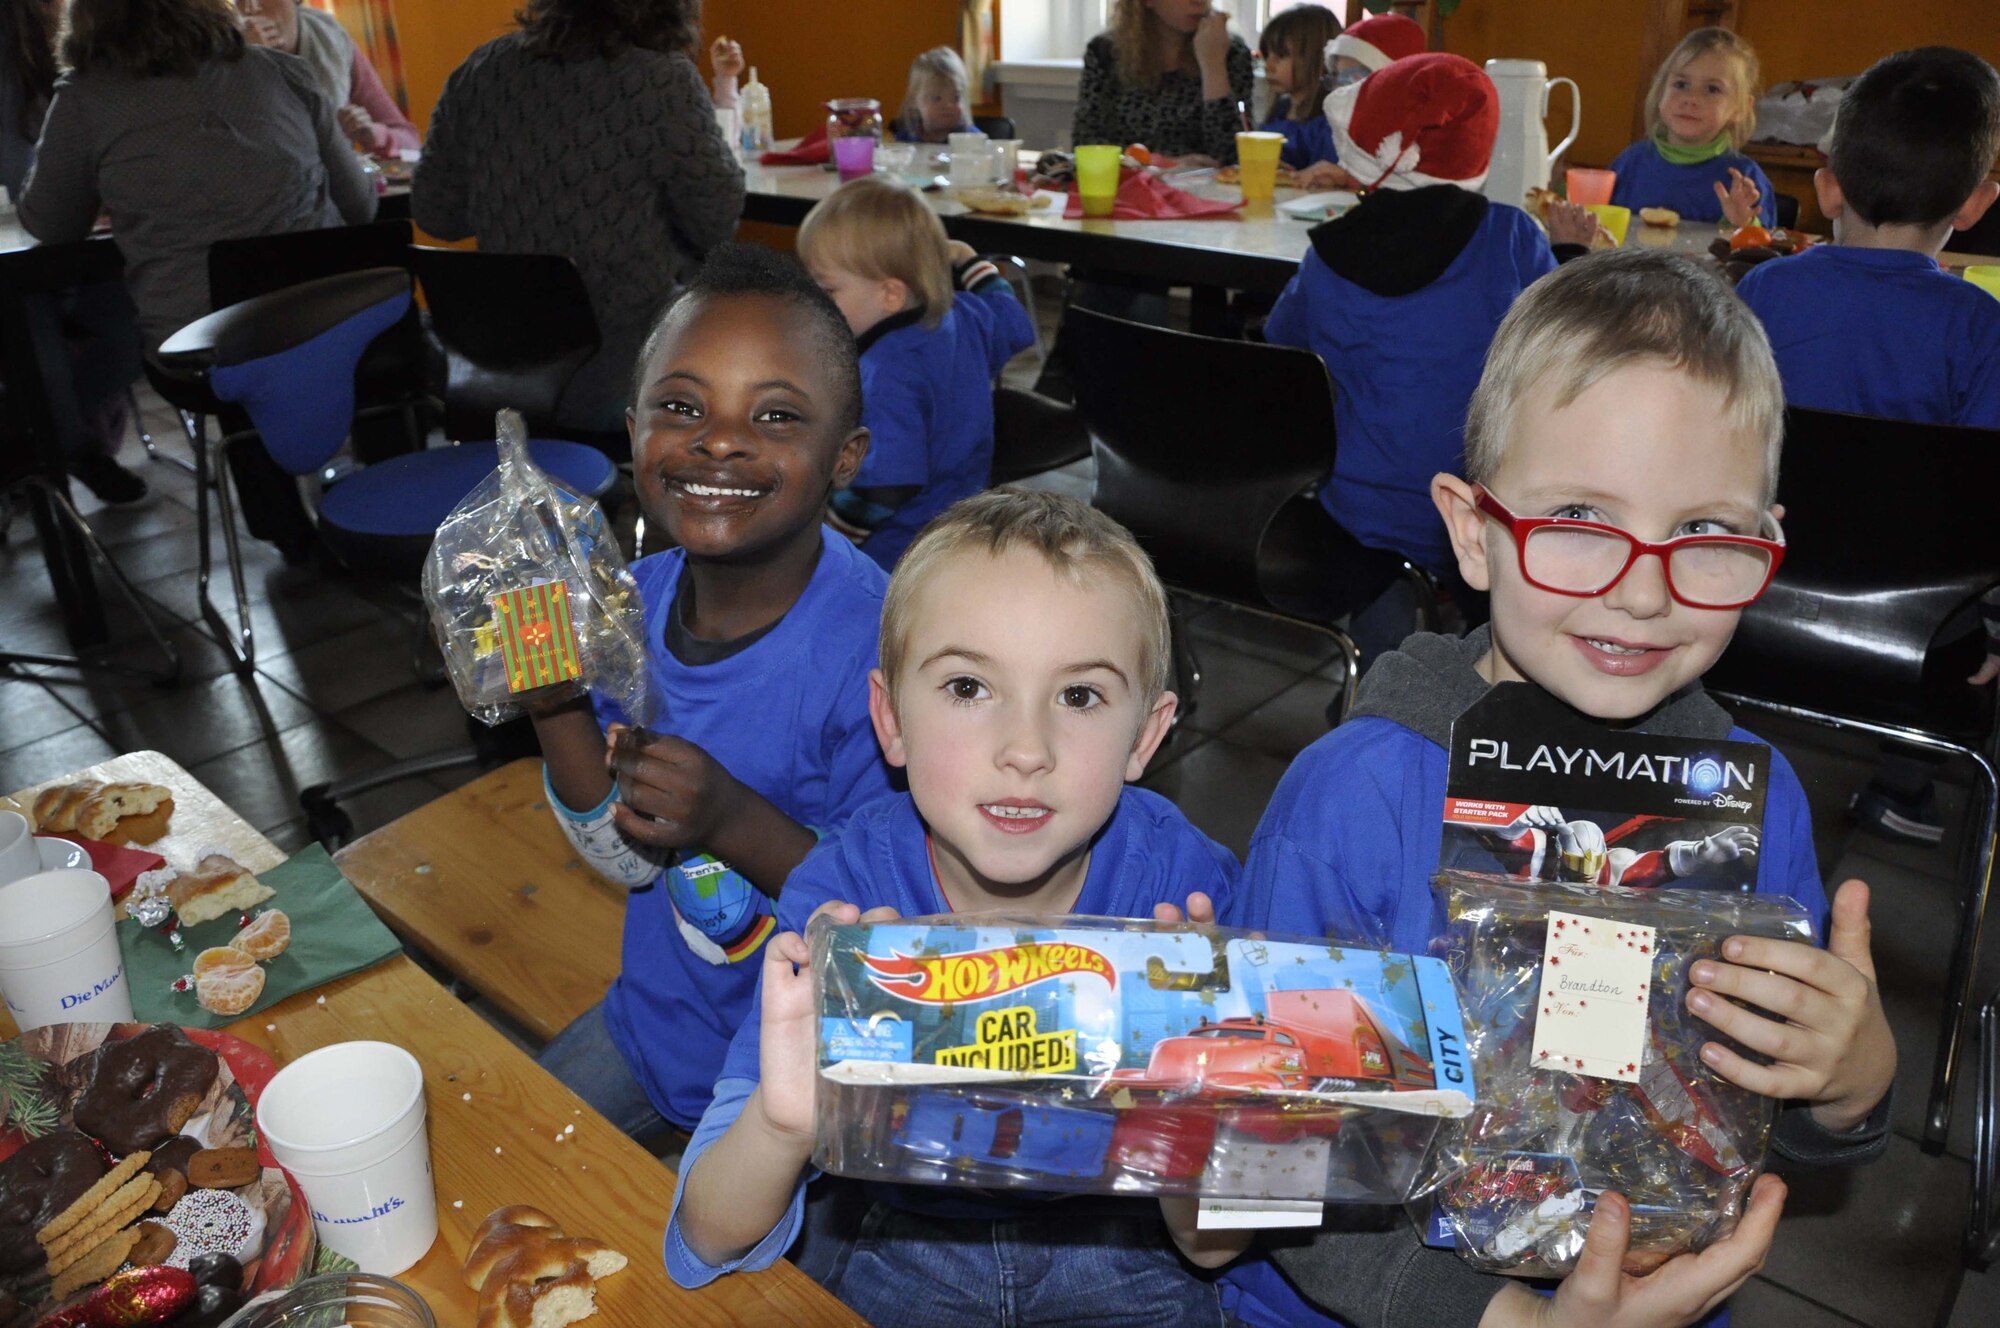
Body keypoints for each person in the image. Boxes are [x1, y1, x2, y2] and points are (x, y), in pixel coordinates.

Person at [1228, 250, 1895, 1328]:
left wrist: (1848, 1081)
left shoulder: (1748, 808)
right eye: (1579, 521)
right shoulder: (1353, 799)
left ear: (1763, 545)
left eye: (1700, 532)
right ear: (1473, 532)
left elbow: (1757, 1113)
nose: (1637, 590)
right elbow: (1277, 1159)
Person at [664, 489, 1243, 1325]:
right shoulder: (847, 904)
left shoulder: (1183, 894)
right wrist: (786, 1121)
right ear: (891, 720)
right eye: (969, 687)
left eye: (1079, 697)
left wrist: (1197, 1113)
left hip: (1124, 1238)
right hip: (905, 1236)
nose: (1025, 751)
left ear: (1145, 739)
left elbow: (1217, 1247)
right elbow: (703, 1240)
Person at [530, 243, 895, 1145]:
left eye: (775, 416)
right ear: (632, 430)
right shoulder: (631, 605)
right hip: (657, 1027)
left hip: (803, 1080)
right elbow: (618, 853)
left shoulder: (886, 654)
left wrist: (727, 817)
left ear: (845, 457)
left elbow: (887, 930)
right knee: (506, 1163)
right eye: (681, 407)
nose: (720, 438)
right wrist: (551, 702)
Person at [1736, 46, 2000, 844]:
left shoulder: (1765, 290)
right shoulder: (1980, 326)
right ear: (1979, 201)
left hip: (1755, 597)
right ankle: (1905, 788)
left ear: (1827, 185)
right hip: (1915, 634)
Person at [1263, 53, 1587, 671]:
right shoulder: (1513, 238)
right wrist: (1569, 252)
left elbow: (1285, 343)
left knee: (1378, 547)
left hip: (1351, 506)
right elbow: (1563, 341)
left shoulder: (1327, 253)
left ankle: (1378, 684)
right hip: (1473, 509)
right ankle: (1480, 674)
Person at [21, 0, 374, 536]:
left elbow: (50, 225)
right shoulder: (282, 71)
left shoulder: (85, 100)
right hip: (329, 323)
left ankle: (285, 532)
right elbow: (362, 207)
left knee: (229, 331)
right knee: (283, 328)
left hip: (202, 350)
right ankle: (392, 506)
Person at [414, 0, 745, 439]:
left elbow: (438, 215)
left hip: (493, 366)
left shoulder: (481, 69)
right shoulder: (661, 80)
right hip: (621, 368)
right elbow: (717, 222)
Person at [796, 177, 1034, 569]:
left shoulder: (885, 374)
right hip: (958, 530)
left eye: (827, 290)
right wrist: (970, 259)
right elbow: (1013, 318)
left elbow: (884, 486)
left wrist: (822, 544)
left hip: (895, 552)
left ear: (891, 294)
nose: (814, 302)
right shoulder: (964, 314)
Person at [2, 0, 147, 508]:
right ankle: (70, 447)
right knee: (27, 312)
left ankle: (30, 441)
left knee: (139, 301)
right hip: (27, 254)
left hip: (67, 241)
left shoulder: (69, 50)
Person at [1609, 27, 1776, 230]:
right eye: (1681, 84)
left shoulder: (1744, 178)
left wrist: (1743, 224)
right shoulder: (1630, 162)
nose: (1691, 99)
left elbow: (1762, 254)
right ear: (1661, 92)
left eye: (1712, 89)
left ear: (1740, 109)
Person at [1073, 0, 1254, 166]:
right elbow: (1085, 143)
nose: (1198, 2)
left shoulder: (1229, 51)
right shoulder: (1106, 52)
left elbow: (1234, 157)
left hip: (1204, 192)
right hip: (1125, 188)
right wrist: (1162, 163)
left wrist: (1213, 66)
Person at [235, 0, 420, 158]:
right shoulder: (224, 56)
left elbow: (410, 142)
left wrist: (375, 134)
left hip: (337, 190)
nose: (251, 8)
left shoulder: (332, 42)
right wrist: (248, 64)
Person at [1254, 4, 1340, 177]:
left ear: (1316, 58)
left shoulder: (1329, 123)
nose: (1268, 66)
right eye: (1266, 55)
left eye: (1281, 56)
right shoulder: (1280, 111)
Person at [892, 46, 977, 144]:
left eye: (956, 98)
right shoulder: (905, 140)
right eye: (937, 98)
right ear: (913, 101)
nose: (948, 105)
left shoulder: (972, 140)